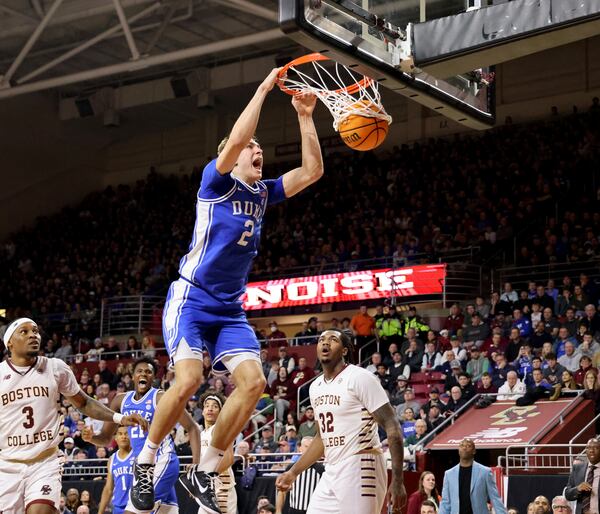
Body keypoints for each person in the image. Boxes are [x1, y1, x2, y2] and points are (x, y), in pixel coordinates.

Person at [131, 69, 324, 513]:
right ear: (232, 157)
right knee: (190, 380)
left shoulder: (263, 192)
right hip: (192, 299)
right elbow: (239, 137)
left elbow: (312, 171)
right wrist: (261, 90)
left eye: (259, 149)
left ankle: (206, 467)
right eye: (250, 149)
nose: (257, 151)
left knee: (255, 382)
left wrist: (304, 115)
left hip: (229, 310)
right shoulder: (214, 183)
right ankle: (146, 460)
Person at [0, 318, 147, 514]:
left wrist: (119, 418)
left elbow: (84, 402)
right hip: (8, 465)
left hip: (44, 462)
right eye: (24, 332)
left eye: (35, 331)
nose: (33, 335)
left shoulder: (55, 367)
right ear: (9, 342)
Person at [275, 329, 406, 513]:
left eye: (333, 339)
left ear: (345, 350)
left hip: (362, 464)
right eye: (322, 340)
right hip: (332, 468)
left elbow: (392, 427)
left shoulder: (361, 378)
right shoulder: (315, 387)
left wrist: (398, 480)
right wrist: (293, 472)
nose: (325, 343)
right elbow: (322, 439)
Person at [84, 357, 201, 514]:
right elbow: (105, 438)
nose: (144, 374)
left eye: (148, 372)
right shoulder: (120, 401)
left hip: (162, 460)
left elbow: (192, 427)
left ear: (153, 378)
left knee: (132, 511)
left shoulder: (160, 397)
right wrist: (91, 437)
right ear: (133, 376)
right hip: (142, 468)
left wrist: (196, 465)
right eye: (139, 371)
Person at [439, 438, 507, 514]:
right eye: (462, 445)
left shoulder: (485, 472)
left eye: (468, 446)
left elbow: (495, 499)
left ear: (474, 451)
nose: (464, 448)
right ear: (458, 450)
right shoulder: (449, 474)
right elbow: (445, 502)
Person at [196, 391, 237, 513]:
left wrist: (207, 477)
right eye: (207, 405)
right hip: (207, 488)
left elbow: (229, 458)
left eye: (215, 406)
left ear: (220, 411)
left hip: (222, 486)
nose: (210, 409)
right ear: (202, 411)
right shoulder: (201, 434)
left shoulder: (221, 428)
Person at [275, 437, 324, 514]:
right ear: (300, 448)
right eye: (306, 446)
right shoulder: (290, 469)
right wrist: (278, 510)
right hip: (294, 510)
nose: (309, 450)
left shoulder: (321, 470)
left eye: (311, 447)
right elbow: (282, 491)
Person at [98, 426, 133, 514]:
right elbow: (108, 489)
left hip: (136, 507)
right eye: (120, 434)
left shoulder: (138, 454)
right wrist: (100, 512)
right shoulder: (112, 459)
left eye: (126, 434)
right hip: (118, 508)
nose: (123, 436)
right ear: (116, 438)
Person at [565, 438, 600, 514]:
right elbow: (567, 494)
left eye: (596, 448)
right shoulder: (577, 468)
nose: (591, 450)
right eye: (588, 448)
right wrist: (578, 489)